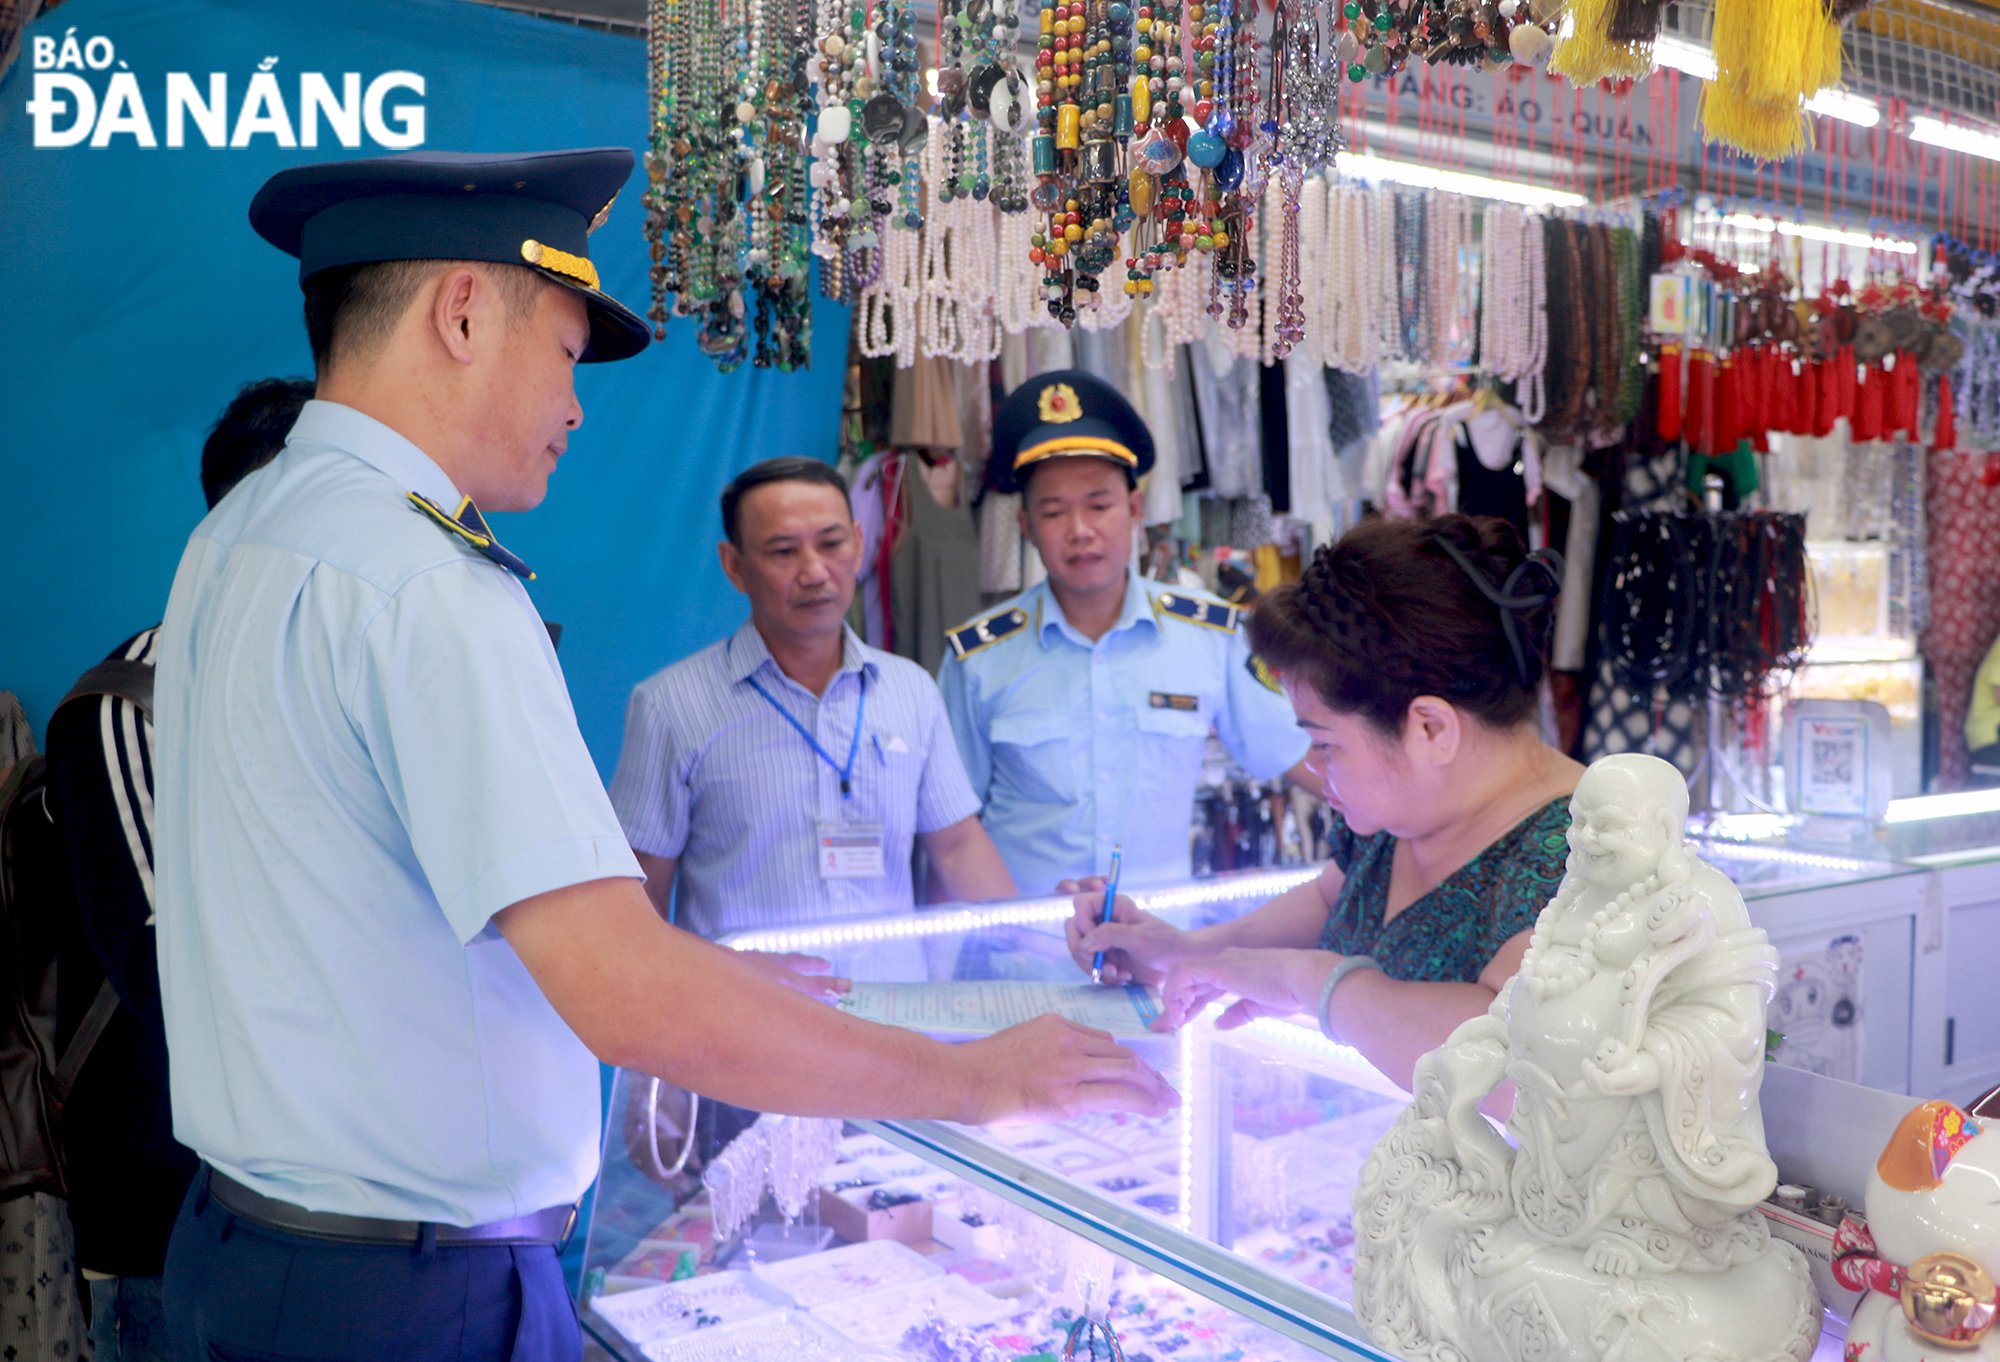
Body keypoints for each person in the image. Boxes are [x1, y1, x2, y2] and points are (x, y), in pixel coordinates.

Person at [152, 148, 1174, 1362]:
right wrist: (972, 1080)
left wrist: (724, 986)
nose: (573, 408)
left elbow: (435, 915)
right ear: (463, 313)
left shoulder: (243, 534)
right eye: (567, 356)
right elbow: (619, 986)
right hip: (407, 1294)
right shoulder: (425, 583)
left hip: (252, 1249)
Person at [1067, 513, 1582, 1097]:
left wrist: (1304, 980)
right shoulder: (1399, 813)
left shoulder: (1581, 852)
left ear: (1431, 729)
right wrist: (1188, 952)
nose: (1312, 767)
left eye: (1325, 744)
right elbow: (1327, 901)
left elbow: (1512, 1065)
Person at [41, 376, 311, 1362]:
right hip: (176, 1209)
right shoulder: (133, 708)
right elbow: (178, 979)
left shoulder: (358, 697)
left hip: (349, 1224)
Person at [609, 456, 1016, 950]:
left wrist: (1036, 949)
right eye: (783, 551)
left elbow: (957, 848)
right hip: (748, 1018)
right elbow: (643, 895)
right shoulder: (670, 707)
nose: (815, 572)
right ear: (734, 566)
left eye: (832, 544)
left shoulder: (911, 690)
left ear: (859, 544)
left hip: (892, 1015)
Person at [937, 370, 1311, 895]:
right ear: (1025, 528)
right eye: (1053, 511)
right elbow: (950, 832)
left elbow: (1297, 756)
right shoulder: (976, 658)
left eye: (1099, 504)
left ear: (1134, 511)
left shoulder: (1210, 635)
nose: (1080, 530)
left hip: (1163, 958)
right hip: (1026, 960)